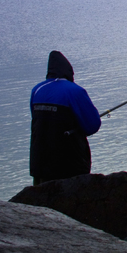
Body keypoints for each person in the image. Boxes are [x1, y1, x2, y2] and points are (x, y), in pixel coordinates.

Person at [29, 51, 101, 186]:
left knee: (39, 202)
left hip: (39, 163)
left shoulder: (37, 90)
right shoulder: (74, 91)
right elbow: (92, 125)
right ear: (68, 70)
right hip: (69, 164)